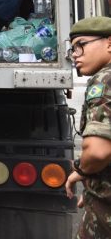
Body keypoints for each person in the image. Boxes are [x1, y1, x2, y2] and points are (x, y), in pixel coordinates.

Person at [65, 17, 111, 237]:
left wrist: (82, 170)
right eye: (72, 48)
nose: (74, 54)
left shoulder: (105, 79)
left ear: (109, 43)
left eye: (81, 45)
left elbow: (97, 151)